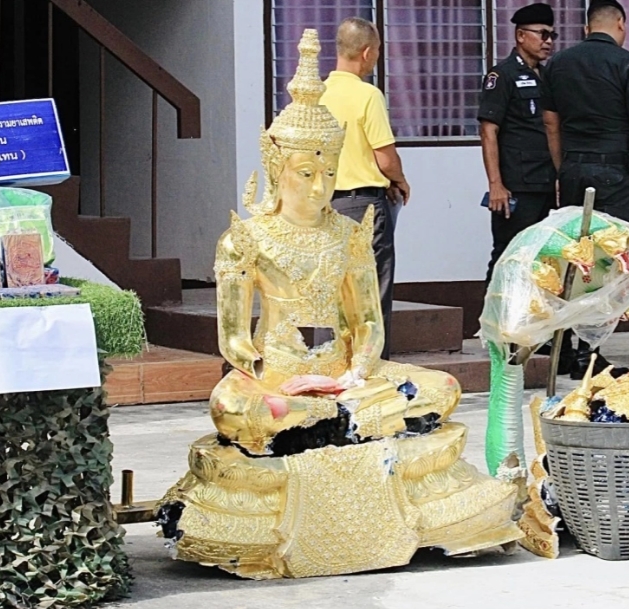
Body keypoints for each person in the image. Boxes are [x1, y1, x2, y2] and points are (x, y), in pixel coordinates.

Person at [158, 30, 522, 579]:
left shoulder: (349, 239)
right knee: (241, 410)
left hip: (348, 381)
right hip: (277, 379)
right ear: (278, 166)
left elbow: (369, 323)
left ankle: (339, 424)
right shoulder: (248, 239)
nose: (322, 185)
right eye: (308, 172)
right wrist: (272, 375)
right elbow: (232, 336)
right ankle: (324, 428)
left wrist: (354, 369)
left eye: (329, 171)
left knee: (442, 390)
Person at [541, 0, 629, 379]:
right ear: (621, 24)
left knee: (574, 258)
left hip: (575, 166)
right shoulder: (628, 64)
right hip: (613, 169)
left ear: (585, 28)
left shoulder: (558, 64)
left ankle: (563, 345)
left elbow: (550, 123)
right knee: (606, 260)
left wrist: (565, 169)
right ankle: (590, 352)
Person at [322, 18, 409, 360]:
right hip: (363, 206)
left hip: (325, 207)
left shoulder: (318, 94)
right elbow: (384, 158)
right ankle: (372, 367)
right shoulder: (367, 95)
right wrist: (399, 180)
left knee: (336, 293)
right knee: (372, 293)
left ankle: (337, 362)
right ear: (368, 53)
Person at [478, 3, 558, 285]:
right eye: (542, 34)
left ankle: (530, 324)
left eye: (552, 35)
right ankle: (491, 324)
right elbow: (488, 131)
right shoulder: (503, 76)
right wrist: (496, 184)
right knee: (508, 254)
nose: (548, 41)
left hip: (547, 181)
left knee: (543, 258)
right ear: (521, 36)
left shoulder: (550, 76)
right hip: (517, 185)